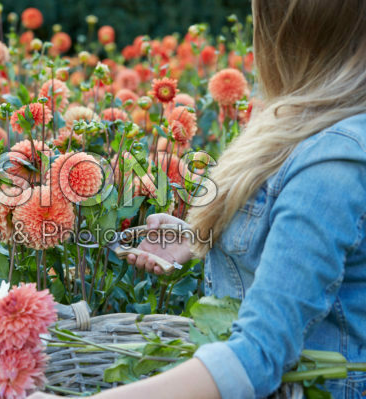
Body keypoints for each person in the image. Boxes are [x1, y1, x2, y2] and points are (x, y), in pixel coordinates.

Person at [29, 0, 366, 397]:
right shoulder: (309, 123)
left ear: (288, 36)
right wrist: (198, 236)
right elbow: (306, 254)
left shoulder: (332, 163)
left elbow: (259, 355)